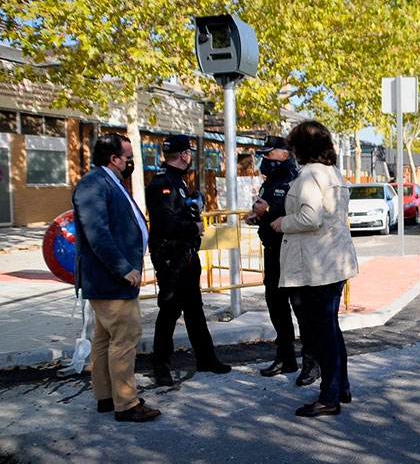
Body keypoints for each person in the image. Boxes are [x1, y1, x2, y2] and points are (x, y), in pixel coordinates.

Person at [270, 121, 359, 417]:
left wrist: (283, 223)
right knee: (331, 330)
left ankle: (329, 397)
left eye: (294, 146)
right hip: (335, 261)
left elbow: (309, 217)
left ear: (301, 148)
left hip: (318, 264)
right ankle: (340, 387)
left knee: (323, 332)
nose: (292, 152)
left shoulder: (309, 174)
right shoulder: (332, 172)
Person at [72, 133, 161, 422]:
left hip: (109, 279)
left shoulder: (109, 182)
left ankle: (106, 396)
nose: (131, 162)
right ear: (113, 159)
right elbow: (98, 235)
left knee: (104, 338)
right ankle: (126, 404)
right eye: (128, 157)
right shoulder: (93, 185)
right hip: (111, 279)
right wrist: (123, 268)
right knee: (125, 337)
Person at [146, 134, 231, 386]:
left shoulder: (179, 182)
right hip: (171, 258)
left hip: (187, 257)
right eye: (189, 153)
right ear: (183, 155)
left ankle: (206, 358)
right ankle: (160, 364)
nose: (190, 156)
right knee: (170, 311)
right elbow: (165, 223)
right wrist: (194, 227)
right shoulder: (162, 183)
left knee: (194, 309)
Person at [244, 135, 320, 385]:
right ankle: (285, 356)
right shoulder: (271, 180)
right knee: (276, 306)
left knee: (301, 308)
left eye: (269, 154)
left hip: (292, 253)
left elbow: (299, 216)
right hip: (272, 251)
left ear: (284, 154)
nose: (263, 158)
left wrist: (268, 212)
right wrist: (258, 217)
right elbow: (272, 211)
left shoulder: (295, 179)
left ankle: (311, 362)